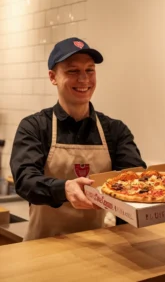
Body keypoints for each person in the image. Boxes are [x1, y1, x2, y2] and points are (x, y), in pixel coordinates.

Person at [10, 37, 146, 241]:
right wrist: (64, 188)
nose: (84, 79)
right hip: (43, 246)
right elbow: (25, 181)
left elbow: (135, 181)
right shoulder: (35, 126)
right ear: (53, 77)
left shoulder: (115, 130)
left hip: (101, 245)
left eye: (89, 70)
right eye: (72, 71)